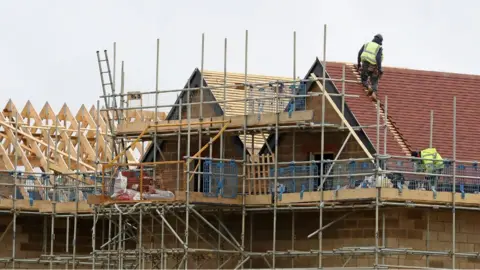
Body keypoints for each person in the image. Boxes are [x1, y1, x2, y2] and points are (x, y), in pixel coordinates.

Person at [357, 34, 384, 100]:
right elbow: (378, 58)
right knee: (374, 80)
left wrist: (358, 63)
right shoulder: (379, 47)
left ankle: (368, 87)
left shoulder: (367, 44)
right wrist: (380, 68)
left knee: (364, 79)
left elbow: (359, 53)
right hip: (375, 66)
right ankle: (374, 93)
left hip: (366, 65)